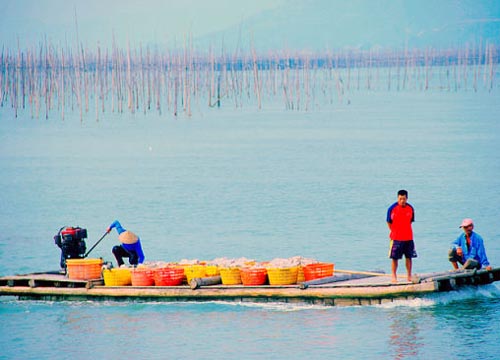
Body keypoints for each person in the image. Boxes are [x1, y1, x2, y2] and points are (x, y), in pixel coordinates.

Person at [386, 189, 417, 282]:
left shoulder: (410, 208)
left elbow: (411, 221)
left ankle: (409, 276)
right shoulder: (392, 208)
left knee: (409, 257)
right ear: (397, 198)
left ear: (407, 198)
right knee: (395, 258)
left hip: (408, 237)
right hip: (396, 237)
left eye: (404, 199)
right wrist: (394, 231)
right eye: (400, 199)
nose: (402, 201)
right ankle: (394, 276)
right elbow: (388, 222)